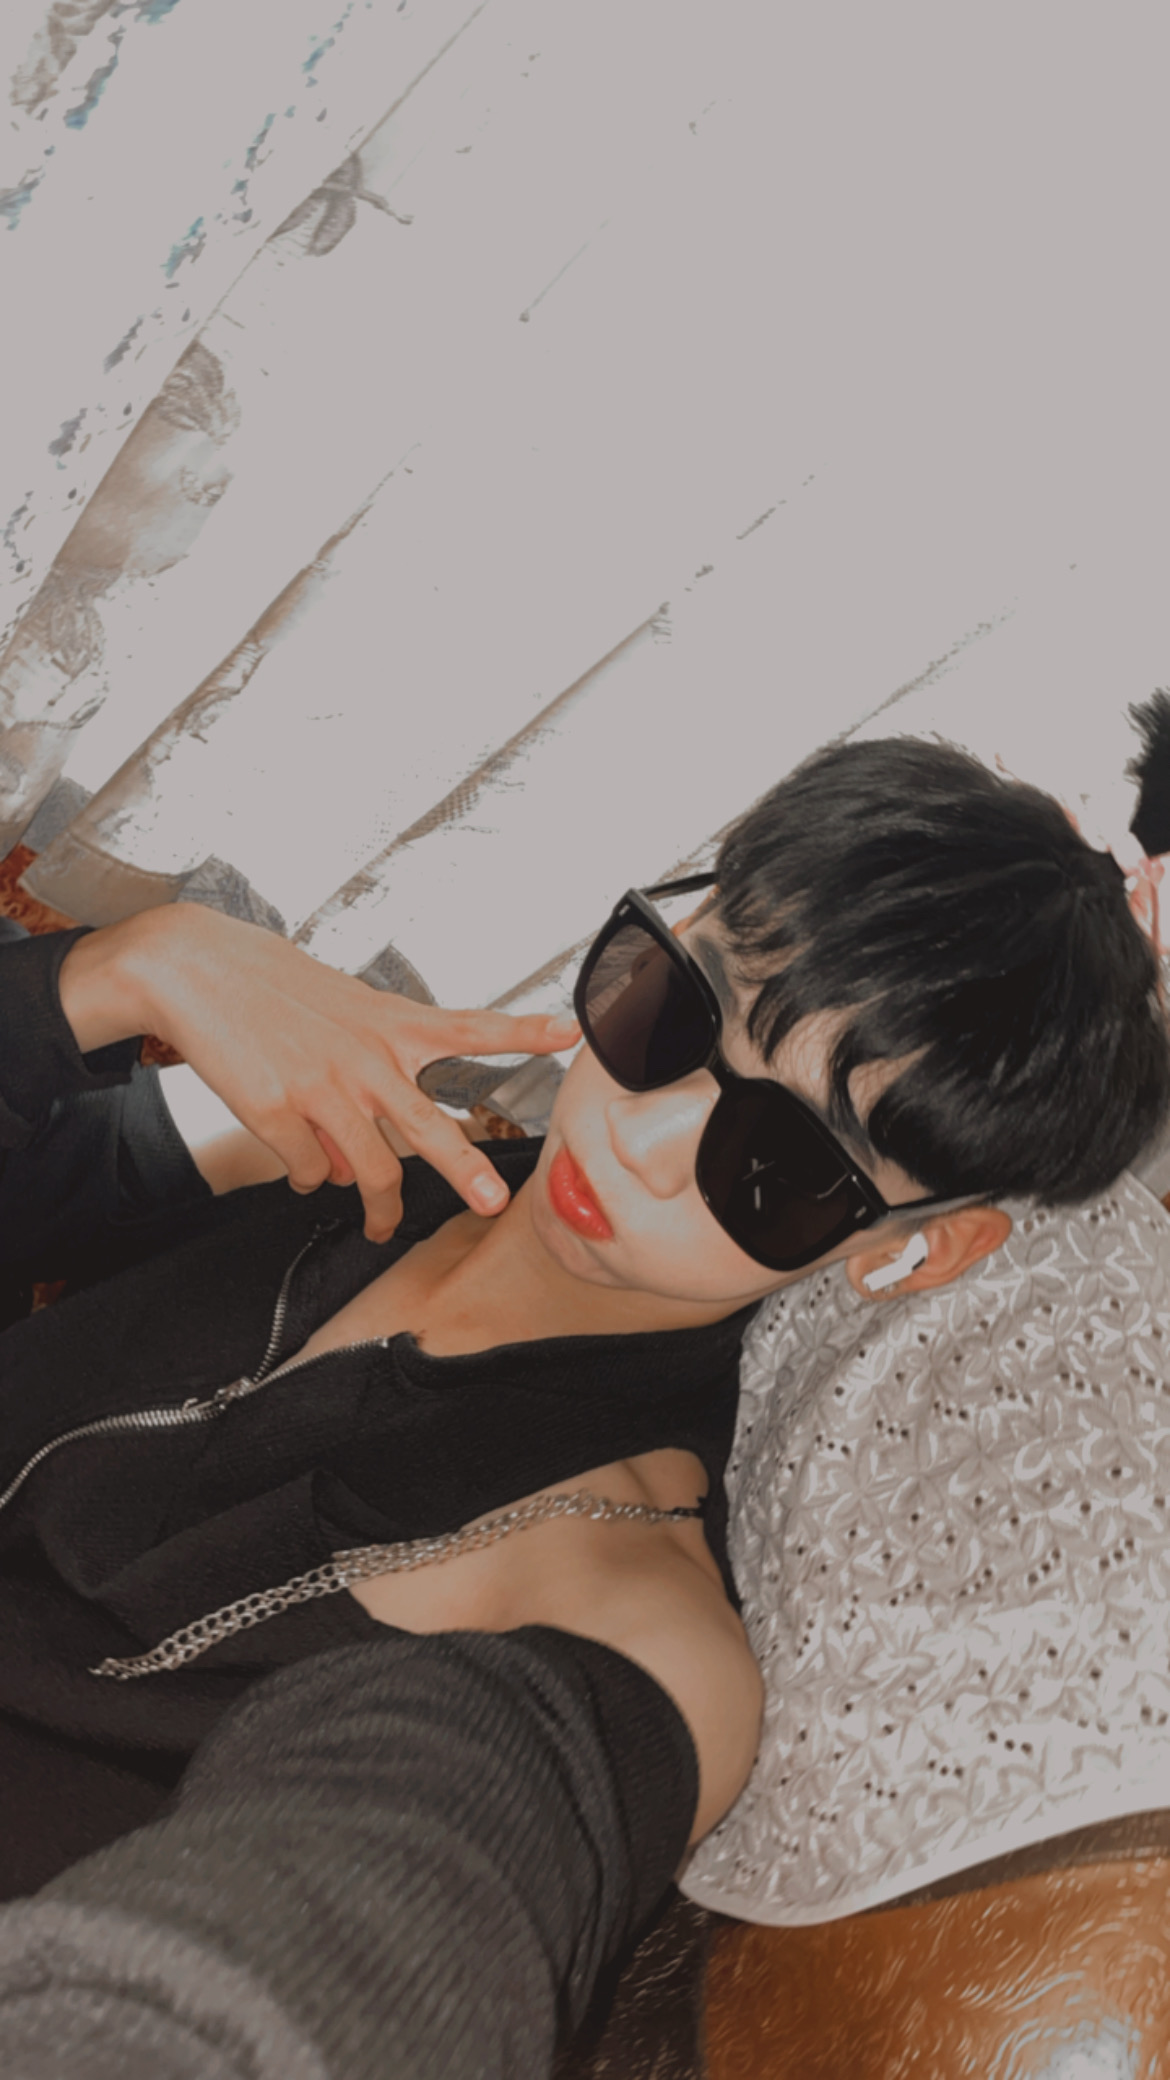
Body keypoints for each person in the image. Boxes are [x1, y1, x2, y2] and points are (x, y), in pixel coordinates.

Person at [0, 732, 1166, 2077]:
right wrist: (114, 975)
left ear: (912, 1248)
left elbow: (394, 1892)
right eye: (674, 1010)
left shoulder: (618, 1612)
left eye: (777, 1160)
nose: (639, 1136)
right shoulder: (365, 1144)